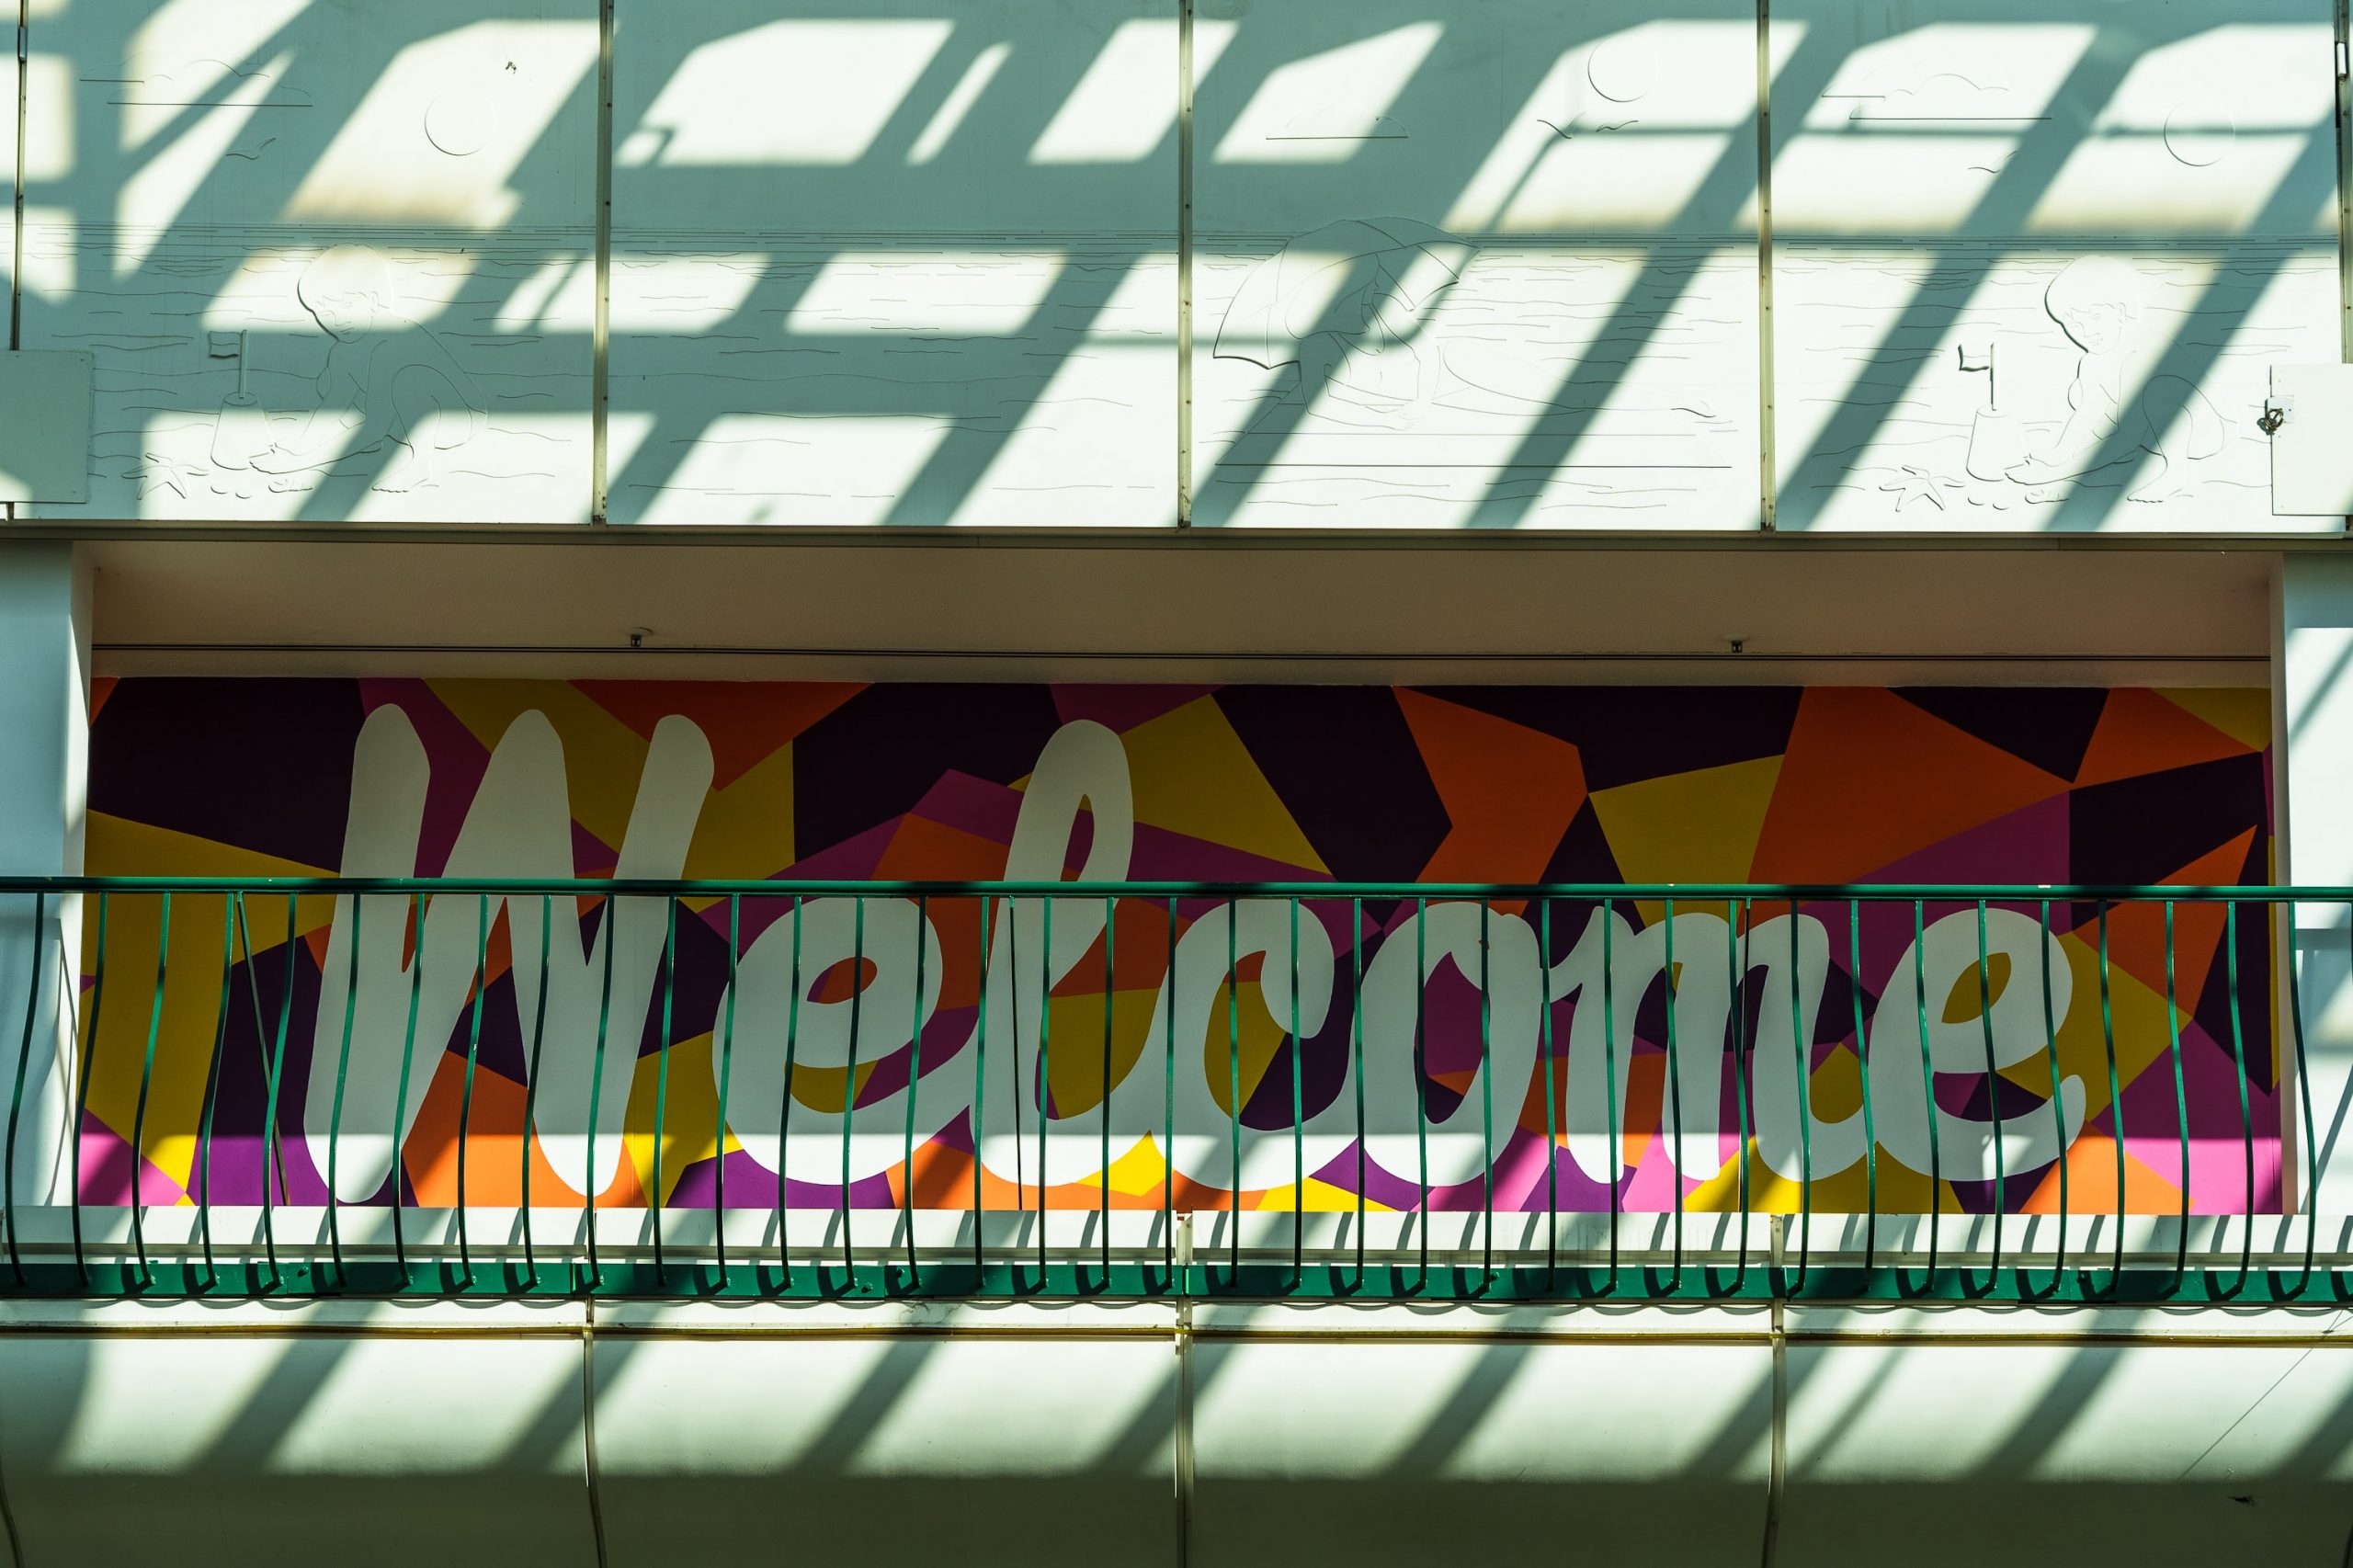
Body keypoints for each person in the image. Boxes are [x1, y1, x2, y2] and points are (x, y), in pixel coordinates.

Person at [253, 245, 486, 493]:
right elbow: (336, 401)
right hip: (400, 416)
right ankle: (372, 444)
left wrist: (298, 464)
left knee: (413, 379)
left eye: (346, 304)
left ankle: (420, 467)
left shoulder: (394, 339)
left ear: (373, 299)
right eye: (323, 311)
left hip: (455, 420)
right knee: (329, 380)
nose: (336, 319)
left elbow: (376, 425)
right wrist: (304, 443)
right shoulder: (343, 349)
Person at [2005, 256, 2222, 503]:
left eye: (2095, 317)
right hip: (2153, 430)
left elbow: (2130, 434)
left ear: (2119, 311)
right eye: (2074, 325)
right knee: (2082, 393)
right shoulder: (2093, 360)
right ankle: (2119, 458)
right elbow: (2088, 411)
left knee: (2158, 389)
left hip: (2206, 430)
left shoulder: (2143, 349)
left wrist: (2055, 474)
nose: (2087, 333)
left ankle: (2174, 476)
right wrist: (2060, 454)